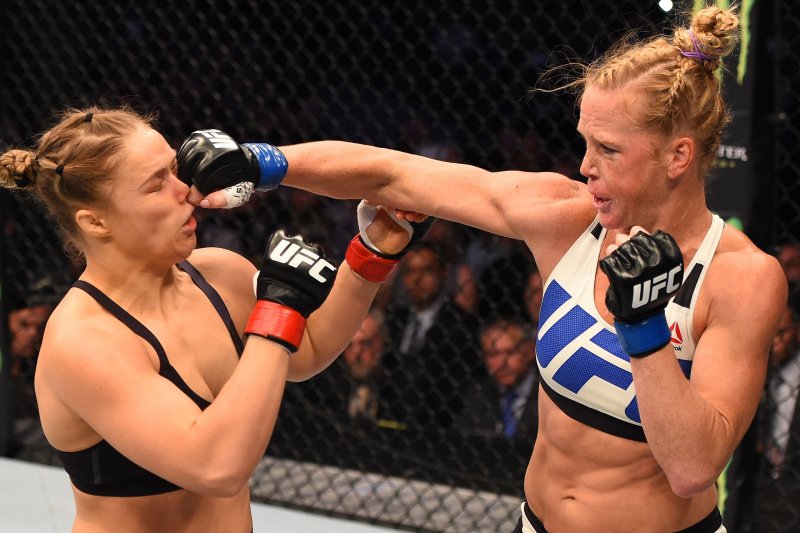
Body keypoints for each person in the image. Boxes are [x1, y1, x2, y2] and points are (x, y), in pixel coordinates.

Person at [178, 7, 789, 532]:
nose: (585, 167)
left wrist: (646, 329)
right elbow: (395, 173)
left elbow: (692, 469)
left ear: (678, 155)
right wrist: (264, 161)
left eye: (607, 149)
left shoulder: (740, 278)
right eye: (584, 141)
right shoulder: (568, 220)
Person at [0, 107, 424, 533]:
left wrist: (373, 251)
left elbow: (307, 348)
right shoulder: (84, 340)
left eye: (174, 169)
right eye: (155, 185)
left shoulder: (217, 273)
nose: (184, 189)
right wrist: (277, 313)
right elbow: (215, 466)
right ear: (95, 222)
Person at [458, 318, 538, 440]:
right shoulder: (478, 392)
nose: (501, 363)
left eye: (510, 352)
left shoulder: (550, 393)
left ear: (530, 351)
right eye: (493, 354)